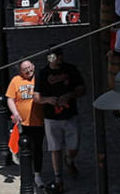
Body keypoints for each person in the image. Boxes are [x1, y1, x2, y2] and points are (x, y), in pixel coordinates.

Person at [37, 50, 88, 180]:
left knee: (74, 146)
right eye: (55, 56)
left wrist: (70, 95)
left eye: (61, 55)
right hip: (51, 117)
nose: (59, 58)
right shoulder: (43, 73)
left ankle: (69, 160)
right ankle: (58, 177)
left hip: (70, 114)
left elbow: (81, 88)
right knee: (55, 148)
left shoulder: (70, 69)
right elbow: (36, 97)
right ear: (49, 58)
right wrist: (48, 100)